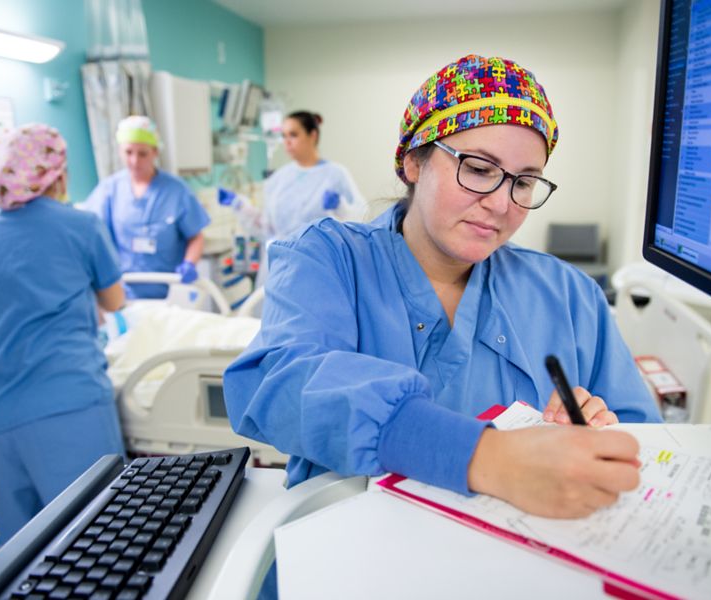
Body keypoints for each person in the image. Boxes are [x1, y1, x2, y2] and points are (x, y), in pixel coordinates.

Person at [225, 55, 663, 522]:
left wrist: (595, 438)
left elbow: (642, 444)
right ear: (414, 161)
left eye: (525, 181)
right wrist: (491, 459)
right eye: (478, 168)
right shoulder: (327, 260)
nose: (500, 203)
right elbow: (283, 383)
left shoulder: (569, 295)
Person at [0, 123, 126, 542]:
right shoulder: (80, 225)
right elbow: (114, 301)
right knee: (96, 537)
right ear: (57, 174)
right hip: (65, 403)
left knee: (24, 550)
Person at [219, 110, 366, 286]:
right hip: (280, 265)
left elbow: (360, 218)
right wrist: (239, 205)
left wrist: (340, 207)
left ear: (313, 135)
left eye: (293, 135)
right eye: (284, 136)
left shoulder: (335, 174)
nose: (287, 142)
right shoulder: (279, 179)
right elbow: (267, 227)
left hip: (318, 265)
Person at [85, 115, 211, 299]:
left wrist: (189, 264)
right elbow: (94, 236)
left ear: (155, 152)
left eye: (142, 153)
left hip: (170, 290)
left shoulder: (177, 190)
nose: (135, 161)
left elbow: (196, 237)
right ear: (120, 151)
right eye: (128, 152)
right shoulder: (109, 190)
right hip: (123, 291)